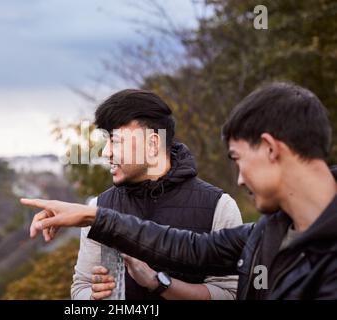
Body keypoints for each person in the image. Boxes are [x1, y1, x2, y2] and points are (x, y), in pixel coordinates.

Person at [22, 82, 337, 299]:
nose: (240, 179)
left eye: (239, 159)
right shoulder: (269, 231)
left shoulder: (221, 206)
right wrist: (95, 217)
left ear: (270, 149)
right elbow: (193, 249)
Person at [71, 89, 242, 300]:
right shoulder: (98, 207)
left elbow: (231, 294)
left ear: (152, 144)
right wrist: (95, 296)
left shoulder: (219, 206)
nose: (106, 152)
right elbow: (81, 287)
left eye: (115, 141)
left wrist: (159, 283)